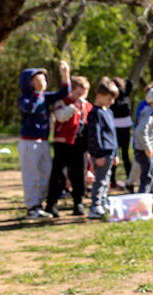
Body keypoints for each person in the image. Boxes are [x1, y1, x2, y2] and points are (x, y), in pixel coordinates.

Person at [17, 61, 70, 219]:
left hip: (44, 141)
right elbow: (29, 108)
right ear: (29, 83)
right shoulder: (25, 98)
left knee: (46, 174)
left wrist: (65, 76)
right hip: (29, 142)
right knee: (31, 174)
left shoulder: (45, 97)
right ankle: (32, 206)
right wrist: (37, 92)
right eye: (38, 80)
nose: (43, 83)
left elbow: (63, 93)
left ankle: (40, 204)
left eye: (44, 79)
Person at [44, 75, 92, 217]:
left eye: (83, 94)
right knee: (59, 175)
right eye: (78, 93)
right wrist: (74, 106)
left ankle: (78, 202)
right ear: (71, 91)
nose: (80, 97)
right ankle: (51, 204)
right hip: (63, 143)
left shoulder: (88, 106)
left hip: (80, 145)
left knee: (79, 175)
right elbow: (60, 116)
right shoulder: (63, 101)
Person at [86, 77, 120, 219]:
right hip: (101, 153)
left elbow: (113, 134)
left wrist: (116, 153)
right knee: (100, 180)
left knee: (106, 179)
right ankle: (95, 206)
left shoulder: (109, 112)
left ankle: (103, 202)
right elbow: (95, 135)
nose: (112, 102)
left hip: (110, 152)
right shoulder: (95, 113)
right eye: (109, 98)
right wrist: (98, 154)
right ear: (99, 96)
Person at [110, 77, 135, 189]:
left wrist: (121, 84)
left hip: (125, 128)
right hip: (115, 128)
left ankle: (129, 181)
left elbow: (131, 82)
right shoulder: (113, 96)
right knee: (115, 156)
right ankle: (113, 181)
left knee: (125, 156)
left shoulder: (124, 95)